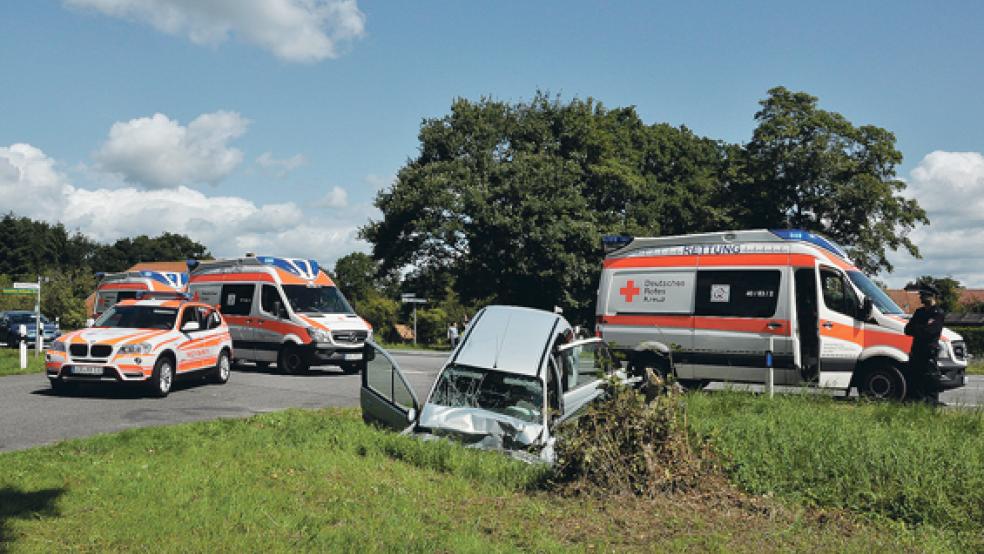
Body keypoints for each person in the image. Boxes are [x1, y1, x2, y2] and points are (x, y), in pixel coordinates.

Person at [904, 284, 946, 404]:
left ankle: (930, 405)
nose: (920, 297)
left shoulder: (937, 313)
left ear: (932, 296)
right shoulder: (919, 312)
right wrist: (921, 328)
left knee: (930, 381)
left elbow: (929, 332)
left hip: (928, 353)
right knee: (914, 381)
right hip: (916, 352)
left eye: (923, 295)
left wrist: (918, 328)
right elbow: (907, 330)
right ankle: (915, 404)